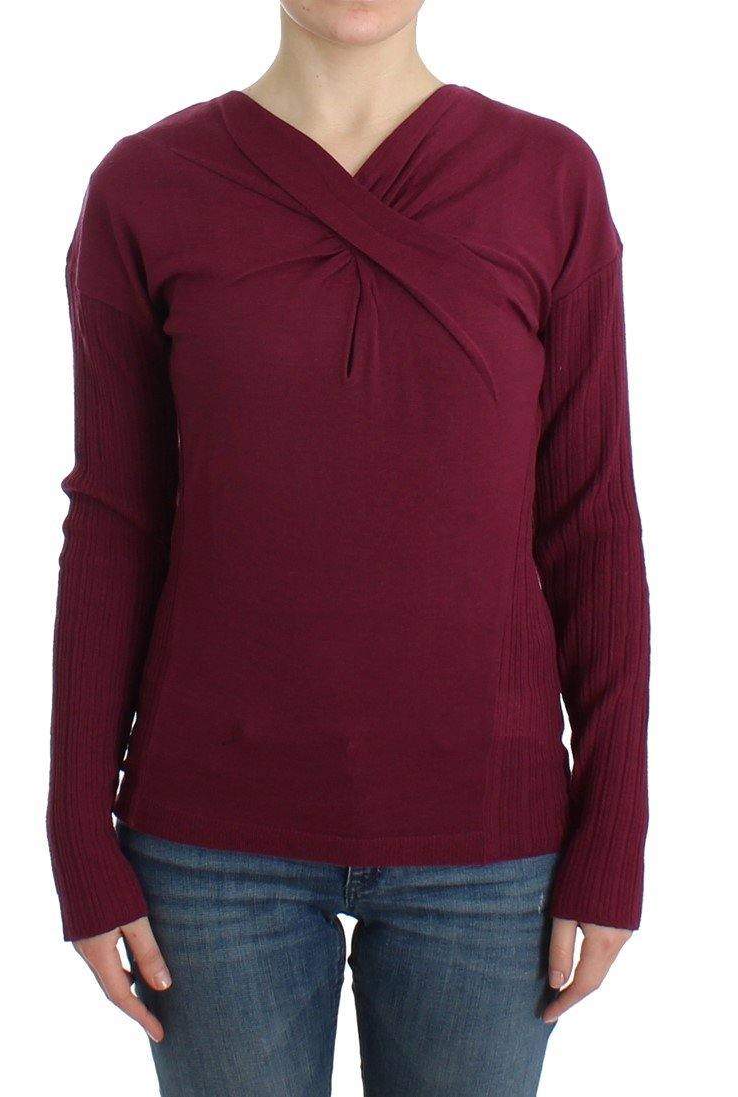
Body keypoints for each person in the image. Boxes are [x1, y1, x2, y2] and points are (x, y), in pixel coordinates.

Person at [47, 1, 650, 1093]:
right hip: (211, 841)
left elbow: (592, 518)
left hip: (488, 844)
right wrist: (78, 833)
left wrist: (613, 832)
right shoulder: (147, 187)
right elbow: (114, 522)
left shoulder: (548, 179)